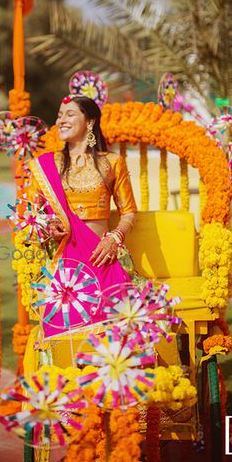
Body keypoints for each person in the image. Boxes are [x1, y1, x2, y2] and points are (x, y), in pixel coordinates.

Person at [27, 94, 137, 338]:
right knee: (66, 336)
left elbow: (129, 212)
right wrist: (49, 225)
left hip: (102, 258)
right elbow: (31, 215)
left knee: (117, 334)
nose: (61, 120)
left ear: (90, 122)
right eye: (59, 115)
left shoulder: (112, 162)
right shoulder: (46, 165)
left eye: (69, 114)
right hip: (67, 265)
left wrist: (114, 239)